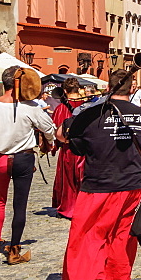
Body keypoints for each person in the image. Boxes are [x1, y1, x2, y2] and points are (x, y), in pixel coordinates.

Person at [59, 68, 141, 280]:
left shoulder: (92, 114)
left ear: (109, 87)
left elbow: (69, 141)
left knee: (88, 236)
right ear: (132, 88)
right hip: (133, 183)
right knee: (122, 236)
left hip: (100, 184)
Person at [0, 66, 55, 265]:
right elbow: (48, 128)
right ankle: (14, 250)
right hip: (23, 158)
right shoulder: (30, 106)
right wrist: (50, 141)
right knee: (19, 205)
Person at [51, 77, 88, 220]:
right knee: (82, 178)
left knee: (67, 180)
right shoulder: (86, 106)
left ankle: (67, 207)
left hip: (68, 148)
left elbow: (56, 129)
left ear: (65, 91)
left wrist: (53, 146)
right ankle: (82, 207)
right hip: (84, 148)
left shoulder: (61, 108)